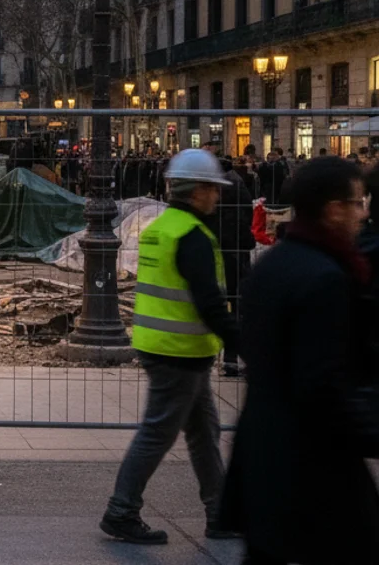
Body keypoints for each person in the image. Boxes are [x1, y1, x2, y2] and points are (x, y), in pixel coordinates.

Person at [220, 157, 378, 564]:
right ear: (333, 209)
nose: (363, 213)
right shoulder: (326, 276)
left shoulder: (273, 265)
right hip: (312, 461)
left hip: (262, 449)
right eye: (357, 202)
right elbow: (321, 382)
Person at [100, 149, 239, 546]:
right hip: (179, 350)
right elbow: (209, 303)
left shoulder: (163, 227)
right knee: (158, 433)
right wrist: (243, 344)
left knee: (203, 431)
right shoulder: (192, 236)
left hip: (164, 344)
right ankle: (121, 511)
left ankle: (219, 513)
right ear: (197, 191)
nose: (217, 196)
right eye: (213, 189)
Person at [206, 158, 255, 378]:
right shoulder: (239, 183)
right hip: (237, 249)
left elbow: (213, 219)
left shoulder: (220, 187)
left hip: (225, 250)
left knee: (228, 302)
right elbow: (248, 214)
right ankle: (233, 358)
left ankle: (231, 358)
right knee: (237, 303)